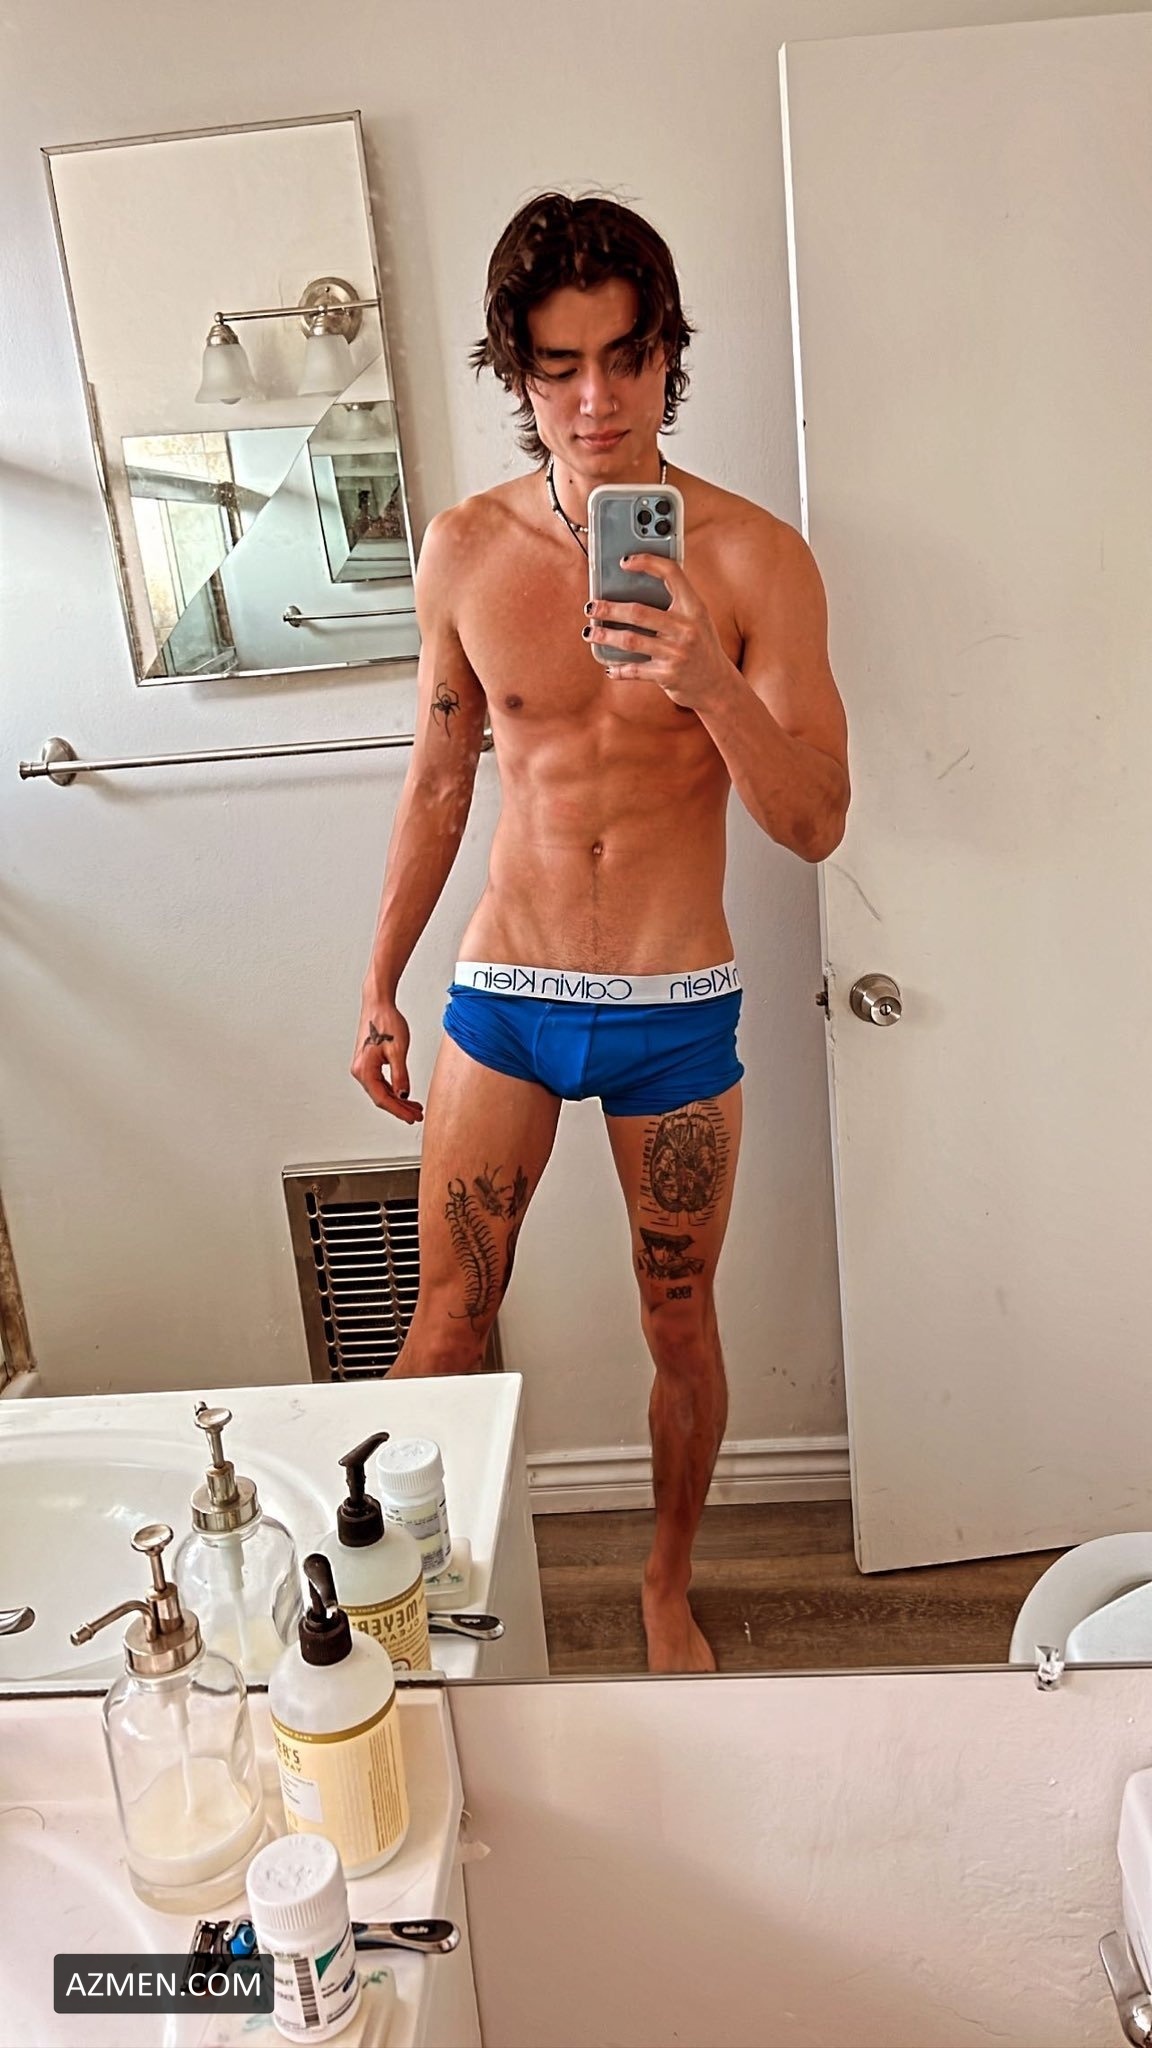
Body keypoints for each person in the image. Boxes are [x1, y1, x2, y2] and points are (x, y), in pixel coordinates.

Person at [351, 192, 849, 1673]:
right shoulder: (464, 550)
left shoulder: (755, 561)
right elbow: (440, 779)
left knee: (678, 1322)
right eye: (557, 366)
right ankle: (395, 1615)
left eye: (625, 359)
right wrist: (378, 982)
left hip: (671, 1010)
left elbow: (815, 821)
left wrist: (710, 682)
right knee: (448, 1317)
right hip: (502, 992)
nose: (593, 401)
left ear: (666, 354)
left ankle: (665, 1582)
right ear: (516, 371)